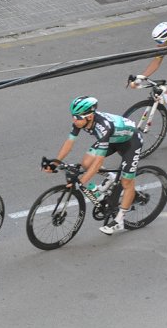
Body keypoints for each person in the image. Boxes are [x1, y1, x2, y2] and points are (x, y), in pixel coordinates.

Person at [44, 96, 142, 235]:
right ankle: (110, 177)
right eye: (73, 116)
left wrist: (82, 182)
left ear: (89, 117)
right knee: (85, 163)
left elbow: (98, 162)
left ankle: (119, 220)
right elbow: (69, 143)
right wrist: (55, 162)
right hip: (112, 140)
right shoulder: (80, 122)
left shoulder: (104, 128)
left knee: (127, 181)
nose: (74, 120)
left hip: (131, 142)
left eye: (77, 117)